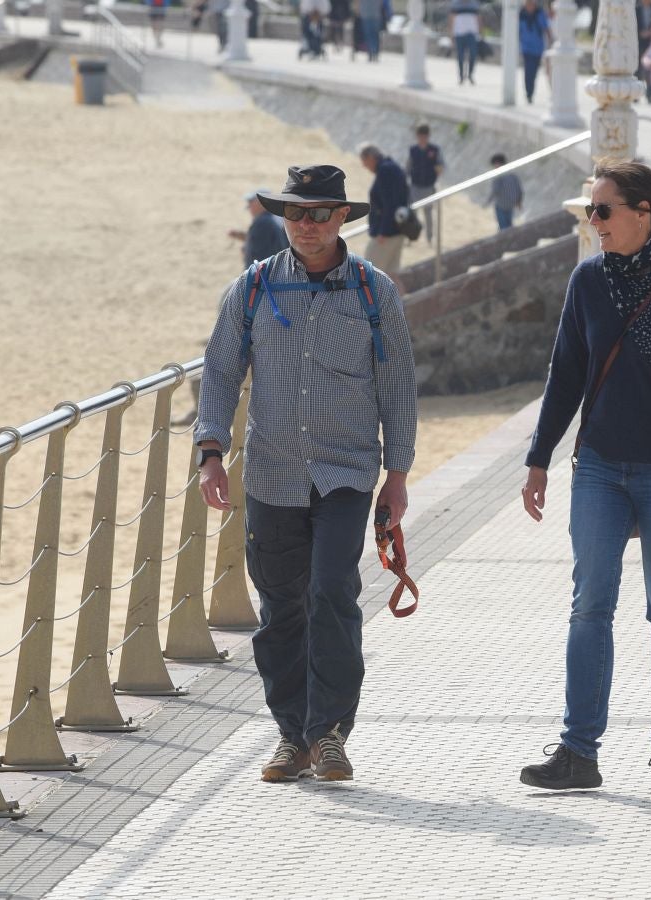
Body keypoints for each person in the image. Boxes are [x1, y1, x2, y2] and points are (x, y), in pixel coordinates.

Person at [518, 161, 651, 794]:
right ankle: (579, 751)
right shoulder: (587, 280)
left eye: (604, 210)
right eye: (591, 211)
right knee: (590, 605)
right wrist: (538, 459)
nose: (595, 221)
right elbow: (564, 374)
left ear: (644, 211)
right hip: (601, 467)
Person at [195, 164, 417, 784]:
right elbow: (219, 370)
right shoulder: (255, 287)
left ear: (343, 217)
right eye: (295, 213)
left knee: (331, 592)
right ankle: (291, 735)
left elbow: (397, 385)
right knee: (281, 608)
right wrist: (210, 451)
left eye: (320, 213)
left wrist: (398, 474)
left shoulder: (375, 292)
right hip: (271, 472)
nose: (307, 225)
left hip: (346, 472)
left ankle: (331, 733)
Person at [359, 143, 409, 279]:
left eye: (364, 161)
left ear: (370, 158)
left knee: (368, 273)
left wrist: (383, 231)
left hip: (388, 233)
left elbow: (390, 203)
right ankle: (403, 301)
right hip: (397, 229)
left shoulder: (385, 170)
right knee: (391, 275)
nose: (364, 165)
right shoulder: (391, 167)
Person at [229, 188, 290, 266]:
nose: (249, 208)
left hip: (262, 273)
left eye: (251, 202)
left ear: (262, 203)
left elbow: (258, 253)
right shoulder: (275, 219)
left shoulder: (262, 221)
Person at [406, 124, 444, 242]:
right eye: (420, 136)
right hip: (415, 185)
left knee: (428, 213)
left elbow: (440, 166)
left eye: (425, 136)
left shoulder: (434, 150)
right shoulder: (413, 150)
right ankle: (411, 237)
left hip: (428, 186)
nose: (422, 138)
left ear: (428, 136)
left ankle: (429, 237)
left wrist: (436, 176)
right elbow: (408, 166)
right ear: (417, 136)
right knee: (412, 213)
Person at [519, 0, 553, 104]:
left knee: (533, 72)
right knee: (527, 71)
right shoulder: (521, 14)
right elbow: (518, 31)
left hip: (537, 48)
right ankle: (528, 93)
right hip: (526, 48)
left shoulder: (539, 13)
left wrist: (551, 41)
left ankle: (531, 92)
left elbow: (546, 28)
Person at [485, 153, 524, 230]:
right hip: (511, 204)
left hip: (501, 205)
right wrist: (519, 202)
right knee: (509, 224)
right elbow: (519, 190)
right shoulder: (513, 176)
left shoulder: (498, 177)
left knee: (503, 226)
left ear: (497, 164)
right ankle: (509, 237)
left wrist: (487, 202)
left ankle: (505, 239)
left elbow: (495, 191)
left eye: (494, 165)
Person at [449, 0, 481, 85]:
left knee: (473, 54)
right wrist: (451, 34)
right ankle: (461, 76)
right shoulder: (455, 3)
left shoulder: (474, 3)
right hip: (459, 33)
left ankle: (470, 75)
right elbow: (452, 18)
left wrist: (481, 31)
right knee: (460, 56)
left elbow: (478, 17)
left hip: (472, 33)